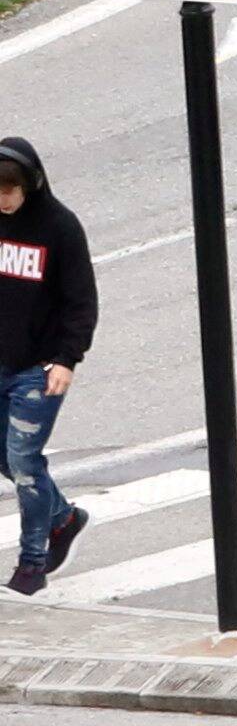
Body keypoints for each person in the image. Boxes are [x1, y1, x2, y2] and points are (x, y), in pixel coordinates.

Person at [0, 127, 87, 593]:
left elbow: (80, 301)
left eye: (10, 191)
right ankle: (65, 518)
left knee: (25, 463)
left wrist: (66, 359)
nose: (4, 201)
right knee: (7, 459)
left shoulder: (59, 227)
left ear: (29, 183)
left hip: (40, 368)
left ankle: (32, 565)